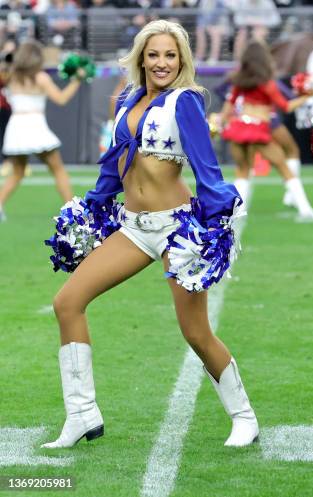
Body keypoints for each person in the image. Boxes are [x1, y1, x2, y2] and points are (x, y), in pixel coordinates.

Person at [42, 19, 259, 449]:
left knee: (195, 332)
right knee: (67, 302)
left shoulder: (186, 102)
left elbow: (206, 169)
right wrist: (91, 207)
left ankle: (244, 417)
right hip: (132, 227)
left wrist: (214, 227)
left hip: (176, 229)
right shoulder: (125, 101)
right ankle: (82, 415)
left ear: (182, 60)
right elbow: (113, 165)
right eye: (154, 54)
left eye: (170, 55)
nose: (161, 63)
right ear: (142, 57)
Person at [221, 41, 313, 218]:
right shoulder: (267, 84)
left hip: (238, 129)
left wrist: (221, 121)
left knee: (242, 171)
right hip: (258, 130)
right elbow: (286, 106)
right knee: (284, 168)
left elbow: (230, 103)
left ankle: (236, 212)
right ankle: (306, 209)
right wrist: (307, 97)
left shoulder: (238, 80)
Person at [0, 40, 78, 222]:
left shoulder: (9, 75)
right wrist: (77, 81)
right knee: (58, 169)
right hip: (35, 126)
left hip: (17, 127)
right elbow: (61, 99)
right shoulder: (41, 77)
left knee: (18, 172)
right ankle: (72, 210)